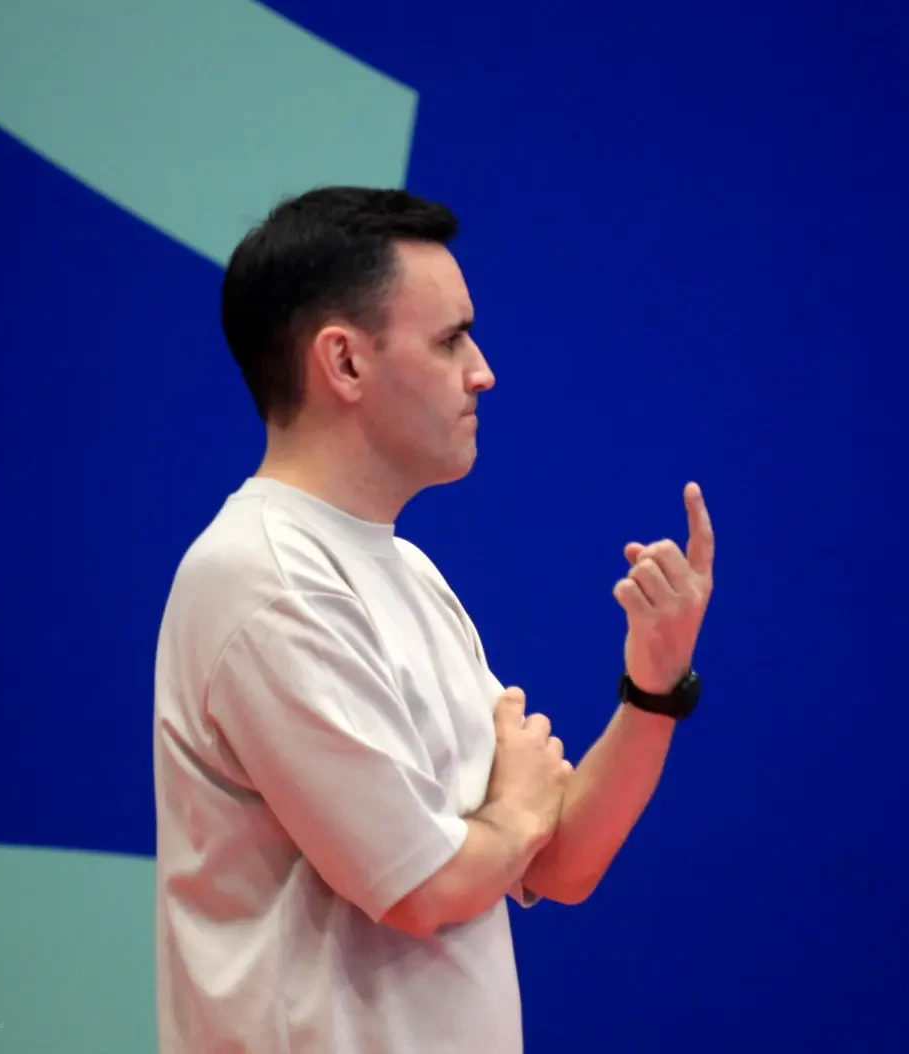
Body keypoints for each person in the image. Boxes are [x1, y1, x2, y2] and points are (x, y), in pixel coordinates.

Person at [152, 186, 716, 1053]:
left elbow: (560, 863)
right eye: (450, 340)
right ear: (344, 362)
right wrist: (513, 812)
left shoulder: (406, 571)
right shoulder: (264, 579)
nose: (483, 371)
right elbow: (425, 889)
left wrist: (654, 687)